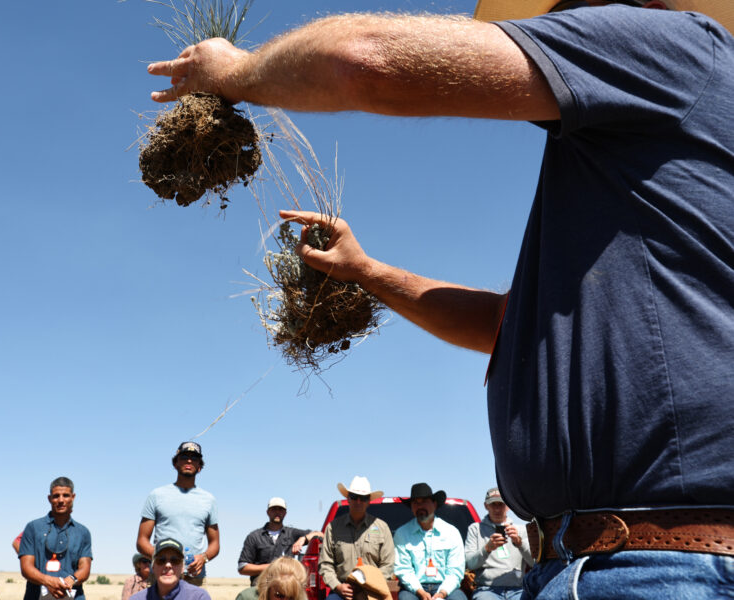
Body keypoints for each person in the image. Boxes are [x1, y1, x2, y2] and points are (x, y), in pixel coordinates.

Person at [147, 0, 734, 597]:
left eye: (563, 9)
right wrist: (367, 272)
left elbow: (365, 60)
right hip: (586, 561)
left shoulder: (672, 46)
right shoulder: (620, 183)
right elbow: (504, 324)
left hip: (659, 564)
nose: (551, 23)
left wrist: (235, 73)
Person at [137, 442, 219, 585]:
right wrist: (163, 559)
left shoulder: (209, 500)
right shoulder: (157, 495)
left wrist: (203, 558)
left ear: (199, 467)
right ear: (175, 463)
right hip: (161, 576)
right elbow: (142, 541)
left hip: (194, 578)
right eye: (184, 457)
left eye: (194, 458)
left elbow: (215, 544)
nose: (189, 460)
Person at [318, 477, 394, 600]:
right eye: (354, 496)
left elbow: (388, 564)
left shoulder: (382, 527)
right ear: (348, 498)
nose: (358, 501)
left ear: (369, 501)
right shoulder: (333, 528)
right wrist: (337, 586)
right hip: (342, 591)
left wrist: (371, 584)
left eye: (363, 498)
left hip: (373, 591)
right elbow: (326, 564)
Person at [18, 477, 92, 600]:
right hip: (36, 595)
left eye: (66, 495)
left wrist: (71, 580)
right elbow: (26, 567)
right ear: (49, 498)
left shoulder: (82, 532)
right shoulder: (33, 528)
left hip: (73, 595)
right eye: (56, 496)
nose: (61, 500)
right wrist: (48, 581)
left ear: (73, 497)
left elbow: (85, 568)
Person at [393, 484, 464, 600]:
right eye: (415, 502)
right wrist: (420, 591)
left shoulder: (452, 533)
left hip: (446, 587)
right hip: (414, 589)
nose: (420, 506)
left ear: (434, 504)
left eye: (424, 501)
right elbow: (404, 570)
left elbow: (455, 571)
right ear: (411, 506)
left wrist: (442, 593)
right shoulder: (402, 534)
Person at [463, 489, 532, 600]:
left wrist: (519, 543)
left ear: (508, 506)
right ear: (486, 506)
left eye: (501, 504)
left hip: (517, 589)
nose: (497, 509)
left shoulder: (520, 530)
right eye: (493, 504)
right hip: (487, 589)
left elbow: (534, 562)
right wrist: (487, 549)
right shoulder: (476, 529)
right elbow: (470, 563)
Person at [238, 498, 322, 585]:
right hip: (261, 588)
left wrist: (303, 538)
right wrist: (273, 567)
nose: (277, 512)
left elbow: (320, 534)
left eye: (281, 509)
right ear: (268, 512)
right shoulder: (254, 537)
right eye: (274, 509)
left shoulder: (292, 533)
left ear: (285, 513)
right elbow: (242, 567)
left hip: (286, 587)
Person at [129, 538, 209, 600]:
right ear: (153, 567)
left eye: (175, 560)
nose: (168, 565)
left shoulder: (198, 597)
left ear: (182, 567)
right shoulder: (138, 598)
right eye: (161, 560)